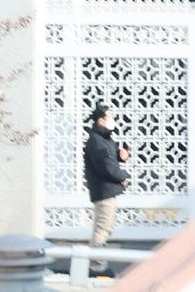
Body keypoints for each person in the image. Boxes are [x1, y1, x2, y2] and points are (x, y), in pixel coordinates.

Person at [83, 104, 131, 276]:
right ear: (101, 120)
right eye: (110, 117)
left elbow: (111, 158)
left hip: (105, 190)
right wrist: (123, 177)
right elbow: (107, 167)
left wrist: (121, 155)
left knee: (102, 228)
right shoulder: (97, 141)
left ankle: (95, 264)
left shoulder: (103, 139)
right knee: (103, 228)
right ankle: (96, 267)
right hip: (104, 191)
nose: (113, 121)